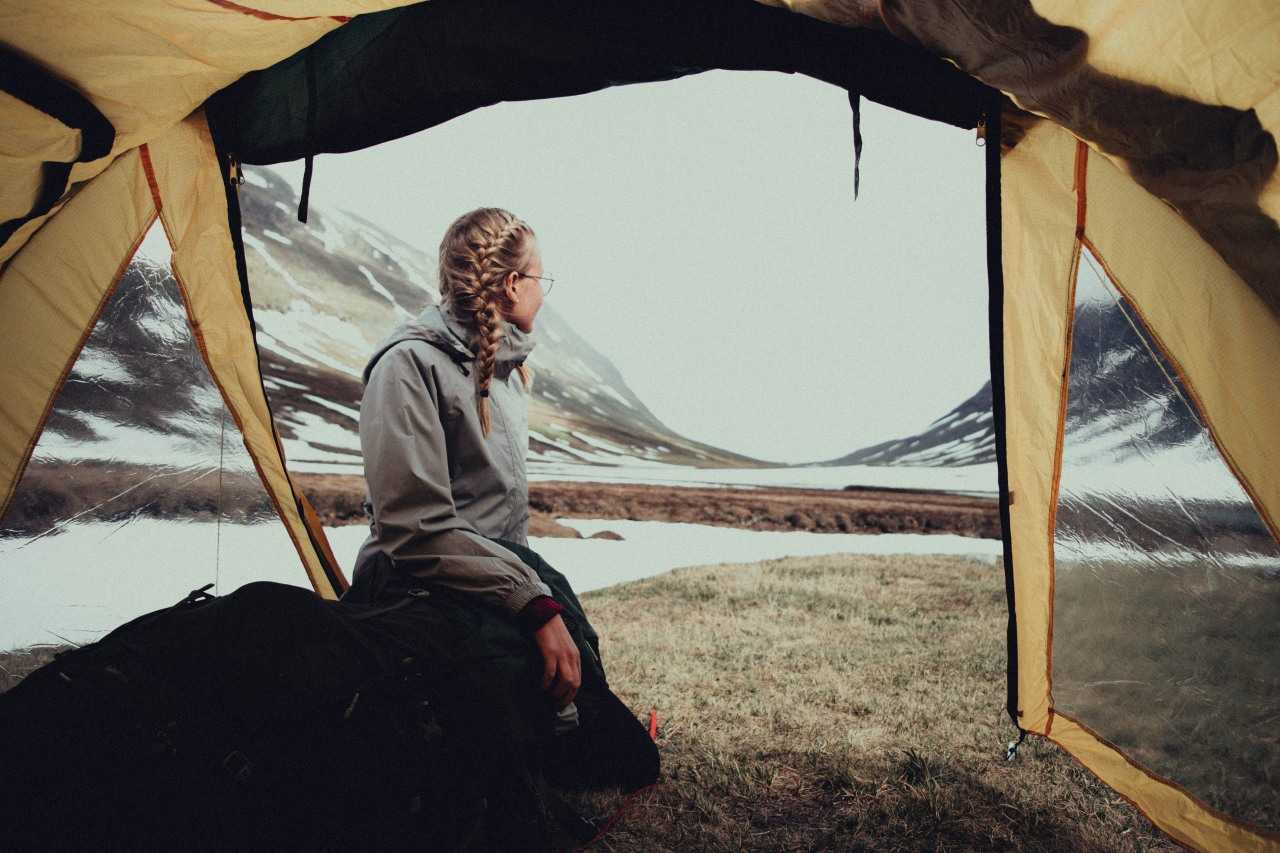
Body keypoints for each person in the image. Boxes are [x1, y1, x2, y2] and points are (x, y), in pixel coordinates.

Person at [348, 206, 583, 711]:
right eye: (543, 278)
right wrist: (530, 600)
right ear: (515, 284)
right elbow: (414, 529)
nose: (544, 293)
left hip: (489, 583)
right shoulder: (408, 365)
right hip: (416, 586)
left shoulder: (504, 372)